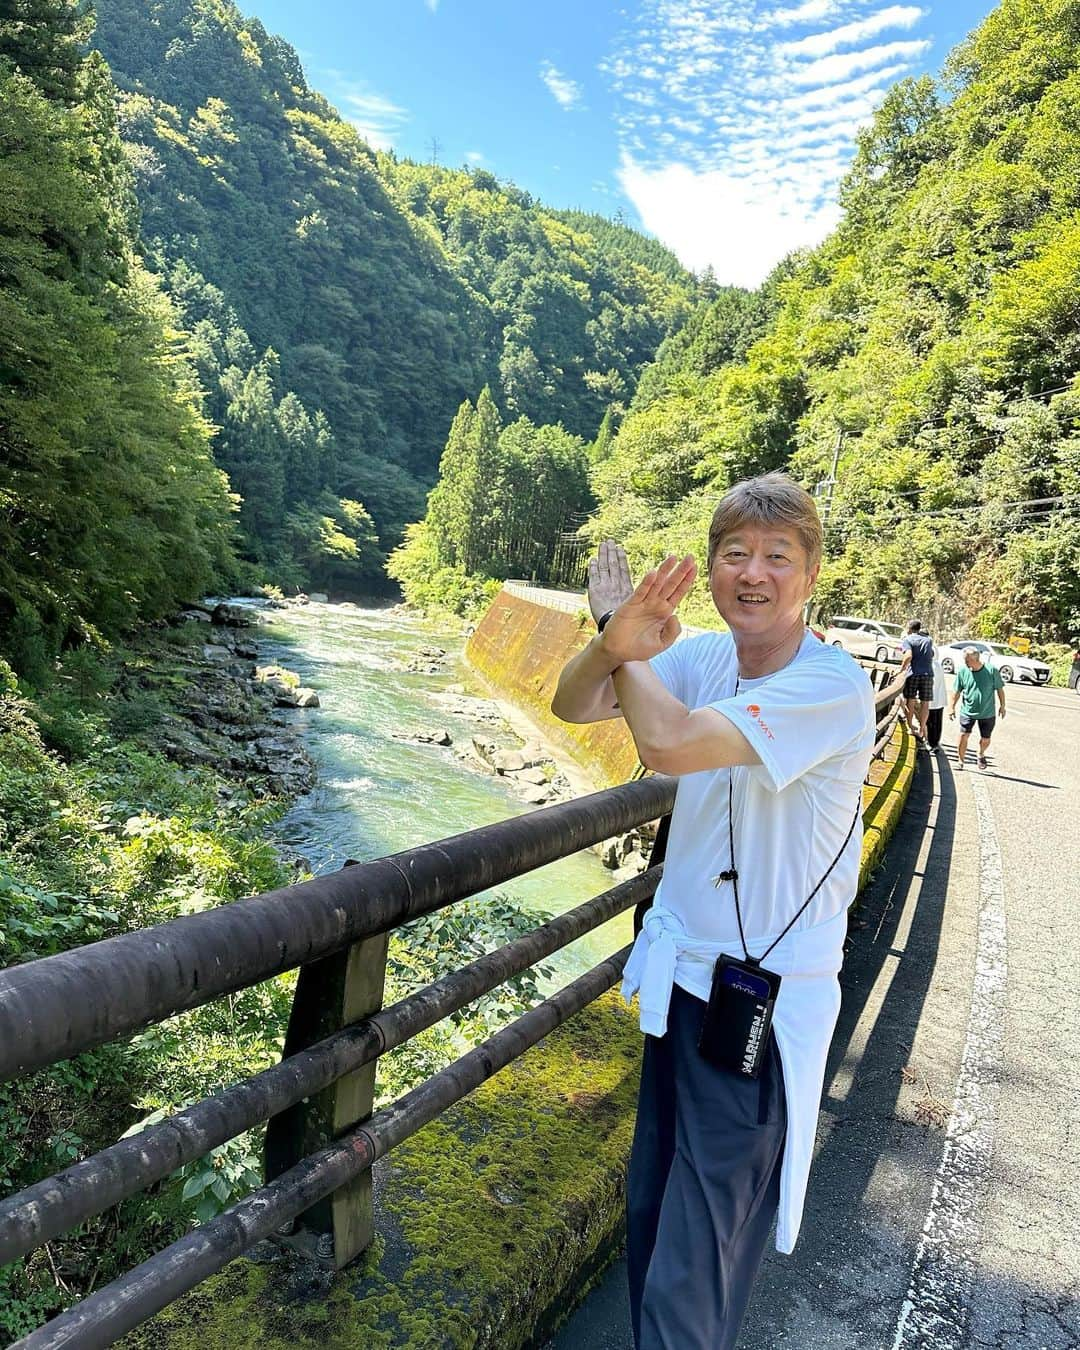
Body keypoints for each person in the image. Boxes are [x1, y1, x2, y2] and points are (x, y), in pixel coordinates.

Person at [551, 473, 875, 1350]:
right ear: (712, 565)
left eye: (778, 556)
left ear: (810, 574)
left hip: (759, 1014)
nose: (754, 573)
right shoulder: (699, 656)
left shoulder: (832, 687)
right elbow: (574, 703)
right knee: (656, 1221)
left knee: (698, 1259)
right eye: (736, 553)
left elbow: (667, 743)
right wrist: (609, 644)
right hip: (685, 991)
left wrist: (634, 654)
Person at [949, 645, 1006, 770]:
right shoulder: (963, 671)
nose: (965, 662)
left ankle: (980, 753)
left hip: (987, 712)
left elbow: (1000, 690)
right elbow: (956, 691)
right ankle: (960, 761)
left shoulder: (991, 671)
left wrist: (1002, 706)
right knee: (963, 734)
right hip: (967, 711)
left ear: (975, 659)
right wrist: (951, 707)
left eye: (967, 660)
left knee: (986, 739)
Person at [899, 619, 935, 744]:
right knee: (926, 703)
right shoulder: (928, 640)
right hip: (928, 674)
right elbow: (931, 654)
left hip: (913, 673)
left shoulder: (908, 640)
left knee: (911, 700)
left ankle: (910, 725)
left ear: (909, 628)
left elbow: (908, 656)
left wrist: (902, 669)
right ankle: (921, 728)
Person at [926, 645, 947, 750]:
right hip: (939, 700)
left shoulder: (930, 666)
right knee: (937, 723)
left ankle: (932, 743)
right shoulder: (938, 665)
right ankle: (935, 743)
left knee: (931, 723)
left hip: (931, 701)